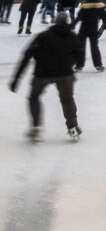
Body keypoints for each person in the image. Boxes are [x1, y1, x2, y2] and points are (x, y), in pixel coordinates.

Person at [9, 11, 82, 141]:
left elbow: (26, 56)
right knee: (67, 99)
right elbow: (80, 56)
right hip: (65, 74)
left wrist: (16, 78)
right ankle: (73, 127)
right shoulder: (73, 36)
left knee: (34, 97)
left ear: (55, 21)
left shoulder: (43, 36)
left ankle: (36, 127)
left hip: (43, 73)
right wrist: (69, 63)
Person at [75, 0, 106, 72]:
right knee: (94, 47)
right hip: (93, 28)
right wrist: (105, 25)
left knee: (81, 47)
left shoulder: (85, 5)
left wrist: (73, 24)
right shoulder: (99, 6)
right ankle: (98, 65)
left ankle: (79, 65)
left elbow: (79, 17)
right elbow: (104, 17)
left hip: (83, 29)